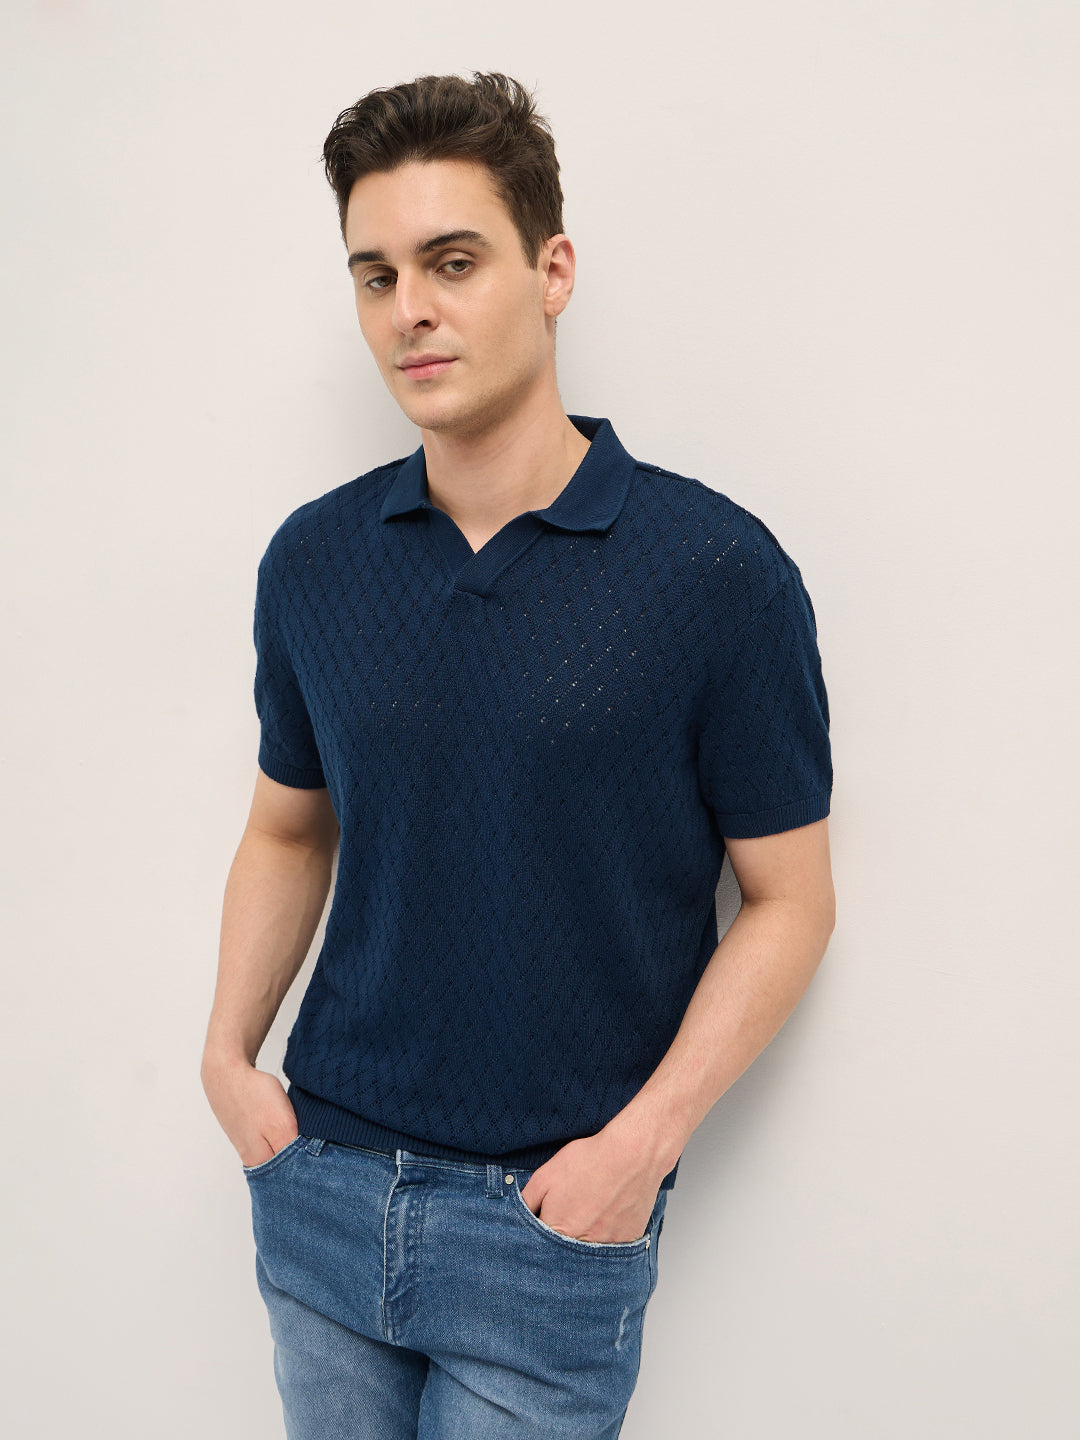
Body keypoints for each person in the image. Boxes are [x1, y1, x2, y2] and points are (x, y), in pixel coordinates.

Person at [201, 70, 835, 1440]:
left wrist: (640, 1148)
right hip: (322, 1189)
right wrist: (226, 1057)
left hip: (550, 1226)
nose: (409, 311)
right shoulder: (313, 560)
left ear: (552, 272)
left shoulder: (716, 573)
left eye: (452, 262)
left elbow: (791, 899)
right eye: (375, 276)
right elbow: (288, 826)